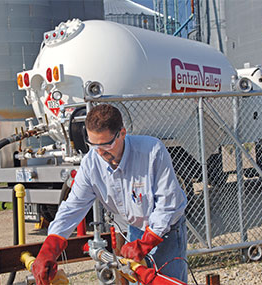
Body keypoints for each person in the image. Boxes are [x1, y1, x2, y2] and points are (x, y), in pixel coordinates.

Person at [32, 104, 188, 284]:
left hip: (166, 231)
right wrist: (50, 248)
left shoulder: (152, 151)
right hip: (136, 230)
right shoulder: (91, 163)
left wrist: (146, 243)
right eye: (93, 145)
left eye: (106, 144)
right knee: (139, 279)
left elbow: (168, 205)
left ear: (122, 133)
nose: (100, 152)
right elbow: (73, 207)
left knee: (167, 280)